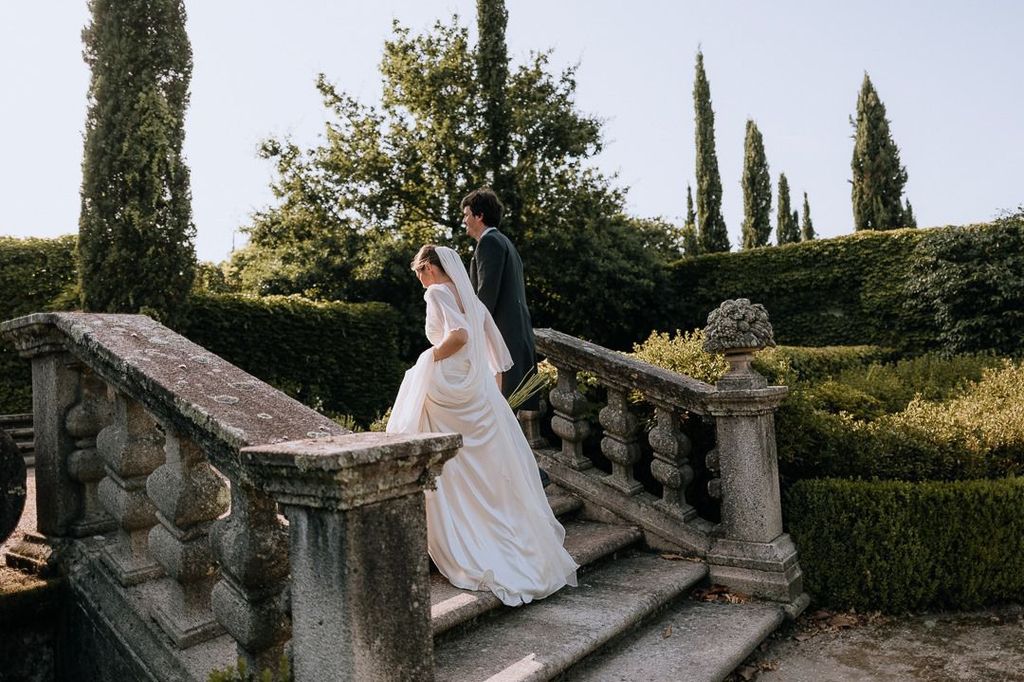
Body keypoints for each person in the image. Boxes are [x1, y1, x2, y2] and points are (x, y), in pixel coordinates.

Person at [386, 244, 577, 606]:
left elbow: (458, 336)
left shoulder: (437, 292)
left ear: (430, 267)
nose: (418, 277)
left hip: (447, 384)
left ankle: (460, 536)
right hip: (475, 391)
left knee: (439, 452)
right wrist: (487, 394)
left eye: (419, 269)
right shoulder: (473, 300)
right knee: (480, 466)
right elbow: (499, 358)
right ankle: (502, 539)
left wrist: (429, 357)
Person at [461, 188, 539, 410]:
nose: (464, 221)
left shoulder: (489, 243)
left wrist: (469, 330)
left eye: (467, 215)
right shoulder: (505, 243)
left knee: (501, 404)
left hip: (502, 334)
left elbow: (486, 295)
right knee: (509, 405)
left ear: (479, 216)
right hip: (515, 330)